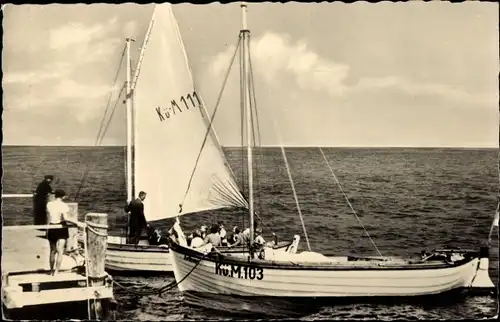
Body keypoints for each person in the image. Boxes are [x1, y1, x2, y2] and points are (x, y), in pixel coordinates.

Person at [46, 189, 84, 275]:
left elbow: (50, 216)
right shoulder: (64, 206)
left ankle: (51, 270)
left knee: (52, 251)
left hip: (52, 226)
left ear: (55, 195)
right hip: (61, 227)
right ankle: (56, 272)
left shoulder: (49, 204)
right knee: (60, 251)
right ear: (63, 196)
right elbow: (66, 218)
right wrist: (77, 222)